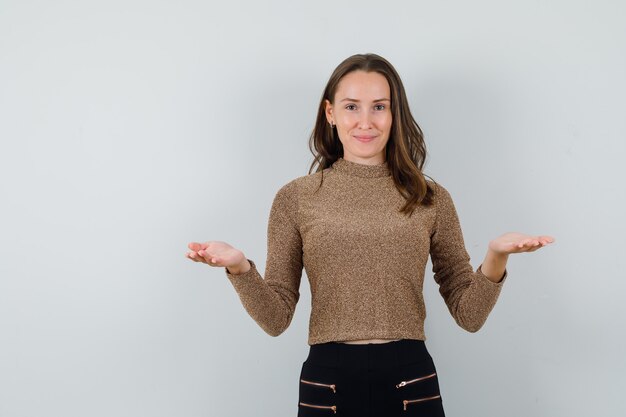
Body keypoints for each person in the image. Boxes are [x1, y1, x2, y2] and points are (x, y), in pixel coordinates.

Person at [185, 53, 554, 417]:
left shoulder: (430, 198)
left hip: (411, 380)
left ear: (395, 115)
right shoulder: (295, 198)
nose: (365, 121)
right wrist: (239, 269)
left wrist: (495, 257)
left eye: (379, 107)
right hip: (327, 383)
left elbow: (469, 315)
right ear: (330, 113)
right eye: (351, 107)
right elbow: (276, 318)